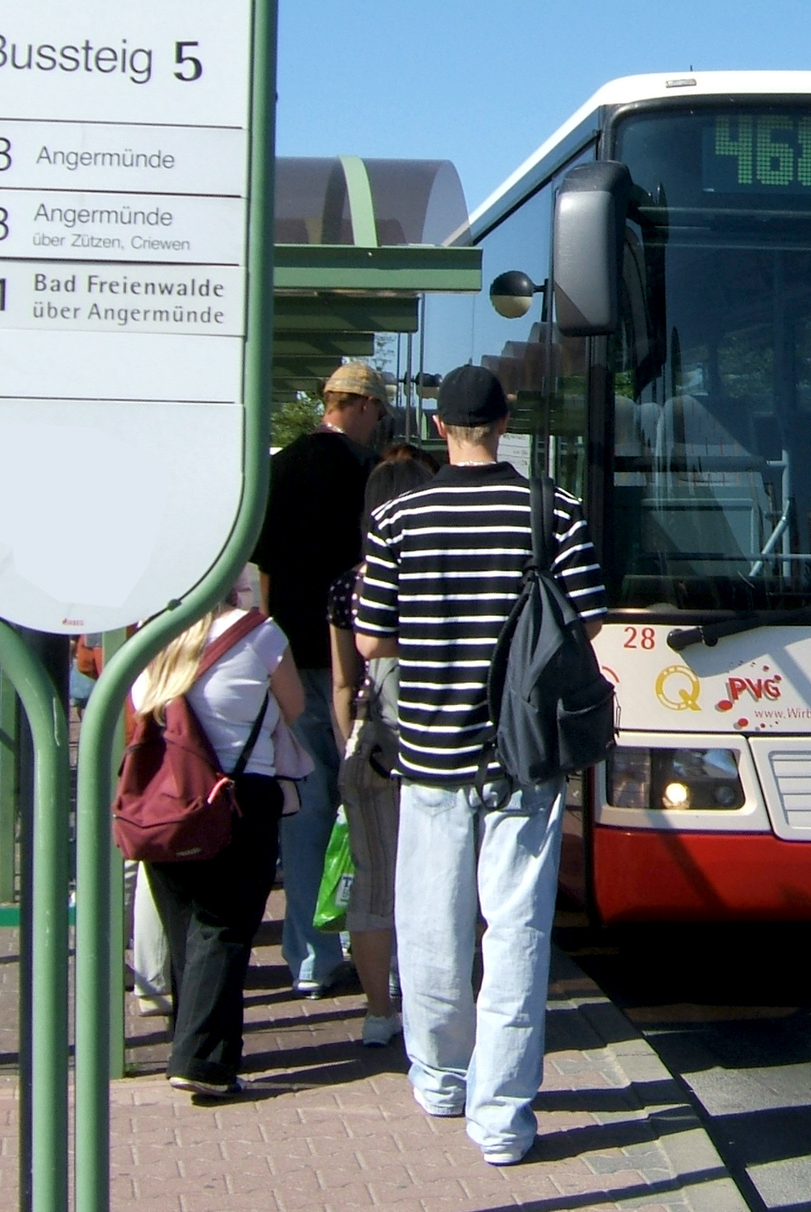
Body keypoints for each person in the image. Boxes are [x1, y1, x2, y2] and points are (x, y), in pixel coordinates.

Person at [355, 365, 607, 1166]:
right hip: (524, 756)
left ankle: (438, 1077)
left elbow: (370, 640)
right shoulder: (553, 511)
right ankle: (502, 1119)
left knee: (430, 924)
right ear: (505, 424)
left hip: (430, 753)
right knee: (519, 931)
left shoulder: (397, 517)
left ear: (437, 427)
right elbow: (586, 622)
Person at [132, 567, 304, 1099]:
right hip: (238, 798)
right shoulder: (260, 634)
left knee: (188, 928)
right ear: (234, 581)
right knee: (224, 928)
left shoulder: (149, 636)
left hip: (165, 800)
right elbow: (295, 707)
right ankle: (202, 1061)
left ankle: (195, 1046)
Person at [253, 361, 389, 996]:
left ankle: (310, 957)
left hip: (290, 655)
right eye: (378, 411)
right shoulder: (367, 475)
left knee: (302, 808)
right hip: (356, 660)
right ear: (360, 406)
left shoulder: (279, 469)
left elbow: (264, 573)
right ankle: (373, 946)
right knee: (366, 810)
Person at [328, 446, 437, 1049]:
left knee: (375, 881)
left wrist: (350, 740)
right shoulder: (441, 573)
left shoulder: (351, 585)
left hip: (373, 747)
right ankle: (439, 1003)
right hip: (443, 746)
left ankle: (377, 1013)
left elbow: (344, 683)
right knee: (446, 879)